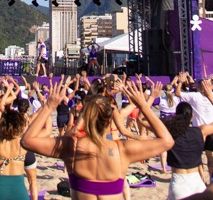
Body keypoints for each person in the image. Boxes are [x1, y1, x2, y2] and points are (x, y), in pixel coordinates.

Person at [22, 76, 174, 200]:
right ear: (108, 121)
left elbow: (27, 141)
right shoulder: (123, 150)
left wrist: (49, 106)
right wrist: (144, 105)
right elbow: (167, 141)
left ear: (85, 118)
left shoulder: (72, 148)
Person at [163, 88, 213, 200]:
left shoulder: (169, 132)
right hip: (197, 183)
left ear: (176, 115)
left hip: (179, 182)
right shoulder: (201, 131)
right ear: (192, 116)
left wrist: (149, 100)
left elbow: (141, 120)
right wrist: (210, 96)